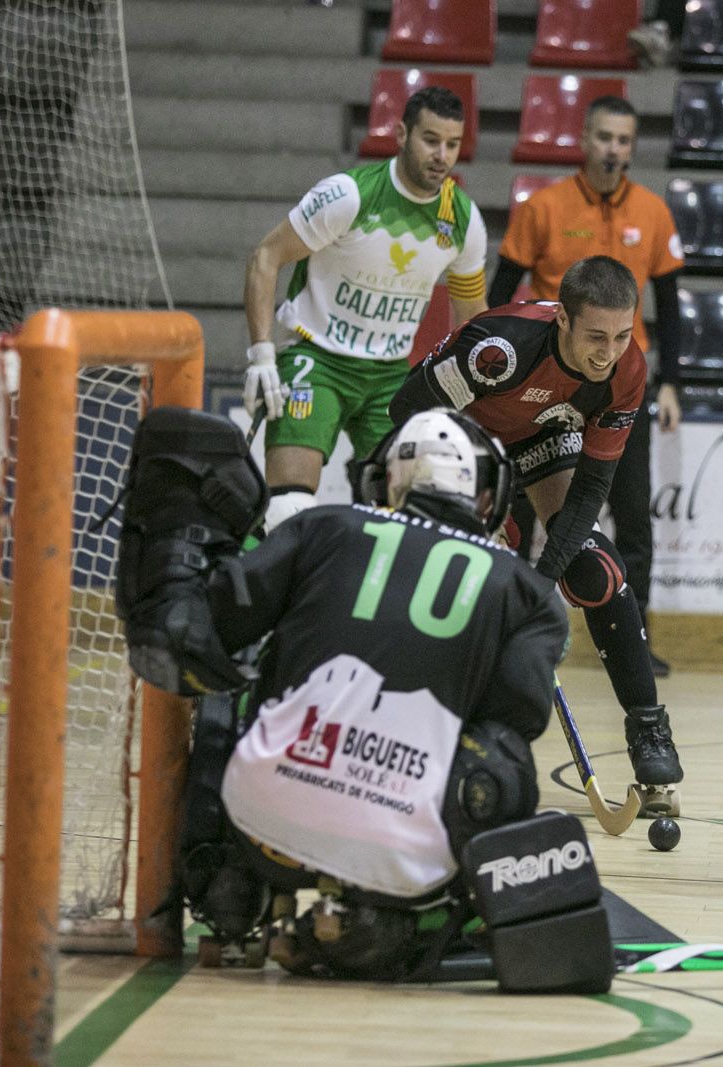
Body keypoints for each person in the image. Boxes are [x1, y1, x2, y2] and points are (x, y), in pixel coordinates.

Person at [113, 404, 615, 991]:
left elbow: (213, 626)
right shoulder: (531, 596)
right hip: (409, 862)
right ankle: (407, 923)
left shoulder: (322, 526)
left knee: (232, 685)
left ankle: (226, 885)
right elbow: (517, 719)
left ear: (384, 483)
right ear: (487, 497)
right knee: (505, 760)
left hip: (260, 822)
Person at [390, 255, 685, 817]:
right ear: (563, 322)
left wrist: (540, 588)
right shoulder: (496, 349)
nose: (608, 351)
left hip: (536, 439)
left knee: (598, 571)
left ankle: (649, 729)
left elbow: (590, 489)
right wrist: (472, 508)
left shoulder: (627, 370)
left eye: (622, 335)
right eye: (595, 336)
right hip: (462, 441)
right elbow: (405, 410)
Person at [489, 94, 686, 678]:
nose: (614, 149)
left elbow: (670, 306)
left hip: (621, 383)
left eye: (624, 140)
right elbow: (503, 294)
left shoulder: (653, 211)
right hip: (544, 383)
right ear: (584, 138)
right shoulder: (542, 206)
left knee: (632, 511)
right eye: (604, 137)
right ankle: (510, 622)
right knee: (521, 505)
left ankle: (634, 638)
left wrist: (671, 381)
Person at [241, 85, 488, 531]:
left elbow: (471, 314)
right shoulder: (348, 195)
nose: (442, 155)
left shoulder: (464, 220)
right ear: (401, 134)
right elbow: (265, 257)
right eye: (431, 140)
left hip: (392, 374)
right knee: (286, 509)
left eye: (452, 144)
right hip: (316, 359)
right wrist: (261, 354)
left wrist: (463, 394)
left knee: (409, 516)